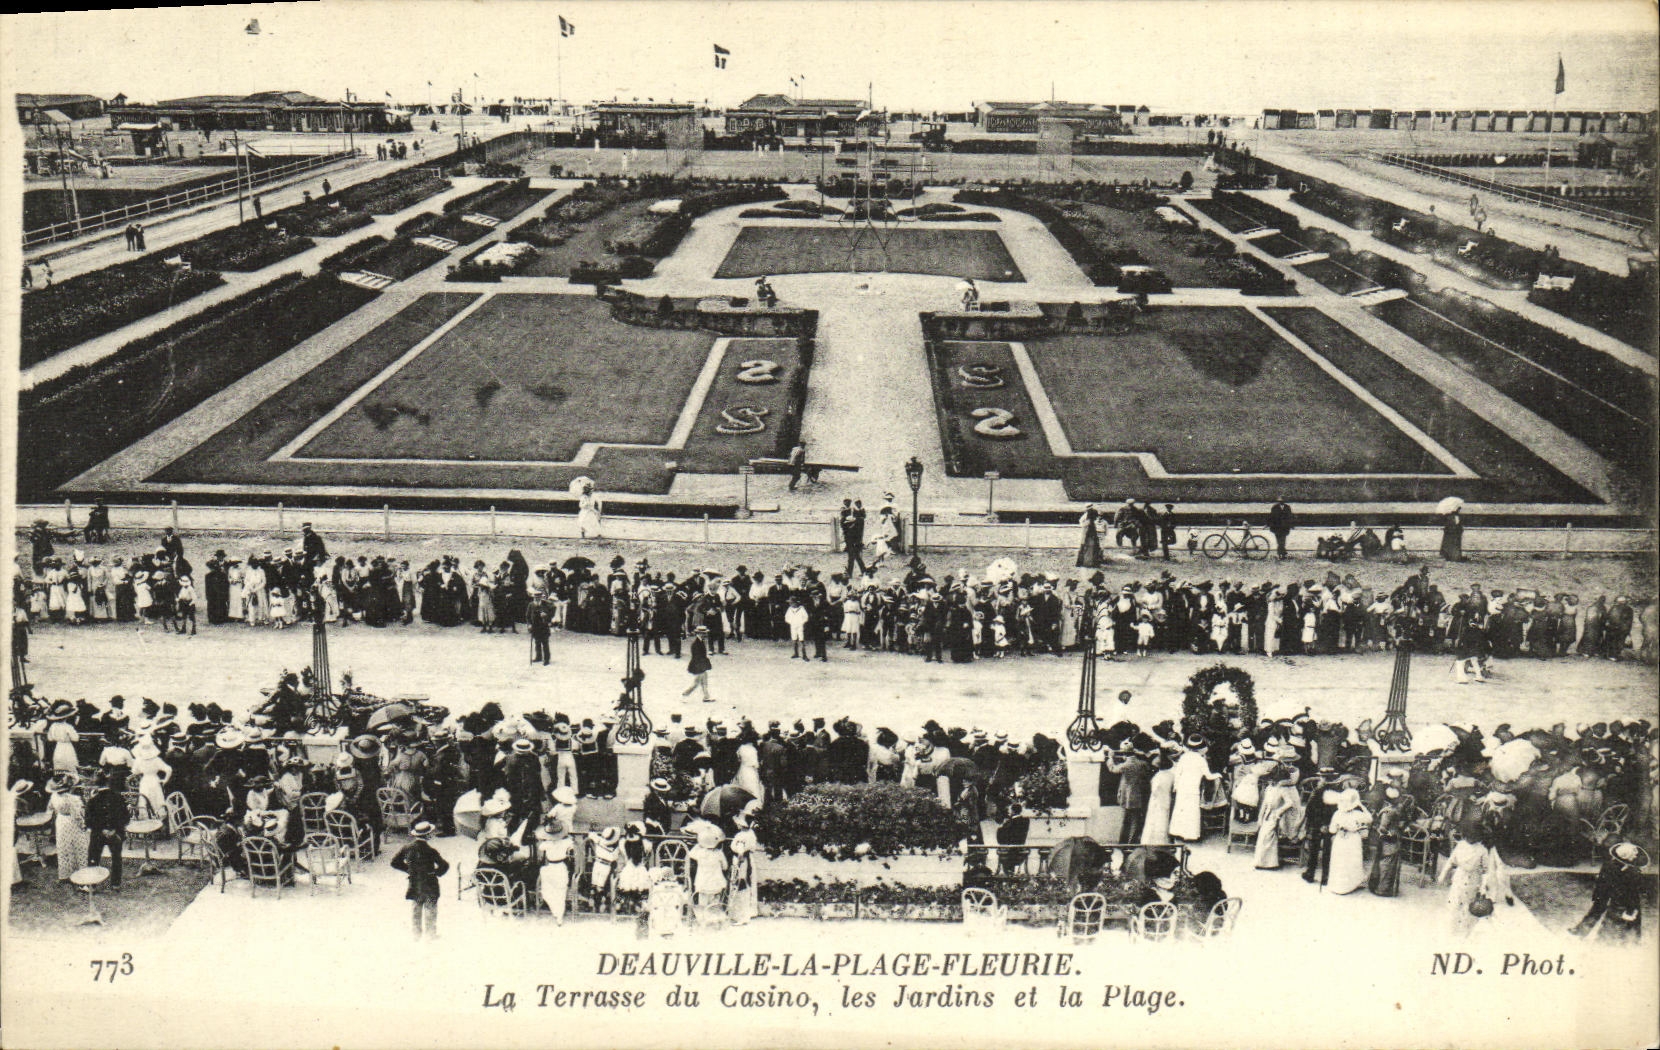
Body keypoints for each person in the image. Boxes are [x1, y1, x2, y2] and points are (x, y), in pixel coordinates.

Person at [1440, 823, 1514, 939]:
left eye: (1473, 837)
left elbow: (1486, 870)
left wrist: (1483, 886)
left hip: (1473, 882)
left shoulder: (1482, 850)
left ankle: (1466, 933)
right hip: (1459, 879)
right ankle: (1453, 931)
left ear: (1478, 837)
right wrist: (1443, 874)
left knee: (1469, 907)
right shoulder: (1460, 845)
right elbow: (1451, 861)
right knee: (1454, 905)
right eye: (1468, 836)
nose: (1470, 839)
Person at [1570, 841, 1647, 944]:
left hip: (1612, 895)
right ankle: (1630, 939)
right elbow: (1632, 891)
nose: (1635, 856)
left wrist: (1599, 895)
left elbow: (1601, 882)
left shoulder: (1613, 866)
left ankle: (1582, 932)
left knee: (1601, 912)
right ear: (1627, 857)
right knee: (1609, 913)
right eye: (1634, 854)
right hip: (1615, 896)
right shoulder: (1629, 871)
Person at [389, 820, 450, 940]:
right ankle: (430, 935)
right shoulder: (431, 851)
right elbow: (444, 865)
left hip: (415, 883)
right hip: (430, 884)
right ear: (428, 835)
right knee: (430, 910)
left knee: (416, 910)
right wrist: (436, 873)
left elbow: (394, 862)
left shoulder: (407, 848)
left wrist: (409, 870)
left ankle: (416, 935)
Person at [85, 772, 129, 890]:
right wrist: (114, 829)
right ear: (108, 783)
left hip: (98, 834)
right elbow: (125, 817)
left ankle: (92, 885)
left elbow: (88, 821)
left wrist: (101, 829)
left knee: (94, 856)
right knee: (116, 857)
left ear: (97, 785)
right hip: (115, 833)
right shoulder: (119, 798)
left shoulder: (92, 800)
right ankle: (116, 884)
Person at [1168, 735, 1214, 843]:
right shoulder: (1201, 760)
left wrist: (1176, 786)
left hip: (1182, 787)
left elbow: (1178, 773)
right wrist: (1217, 775)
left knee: (1180, 810)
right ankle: (1190, 836)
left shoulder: (1183, 757)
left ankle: (1177, 833)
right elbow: (1208, 776)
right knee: (1191, 811)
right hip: (1193, 788)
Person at [1326, 787, 1372, 894]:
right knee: (1351, 861)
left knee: (1341, 862)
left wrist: (1339, 828)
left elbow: (1332, 830)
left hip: (1341, 840)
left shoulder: (1337, 814)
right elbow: (1369, 819)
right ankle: (1351, 884)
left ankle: (1339, 886)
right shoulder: (1357, 814)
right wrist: (1361, 806)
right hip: (1353, 839)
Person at [1108, 743, 1151, 845]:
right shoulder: (1141, 764)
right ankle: (1131, 842)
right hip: (1138, 796)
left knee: (1126, 821)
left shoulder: (1126, 765)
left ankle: (1124, 842)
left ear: (1124, 753)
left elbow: (1113, 768)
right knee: (1135, 821)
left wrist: (1110, 758)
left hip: (1126, 797)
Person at [1367, 785, 1406, 896]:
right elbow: (1383, 828)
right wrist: (1391, 833)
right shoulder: (1390, 811)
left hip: (1389, 838)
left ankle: (1383, 887)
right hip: (1389, 839)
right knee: (1387, 863)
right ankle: (1382, 889)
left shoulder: (1391, 810)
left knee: (1387, 863)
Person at [682, 625, 713, 702]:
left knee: (703, 681)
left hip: (700, 665)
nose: (705, 635)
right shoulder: (696, 643)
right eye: (703, 633)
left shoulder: (700, 641)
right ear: (699, 633)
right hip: (698, 665)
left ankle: (706, 696)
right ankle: (686, 693)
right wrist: (702, 665)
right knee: (697, 682)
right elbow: (697, 656)